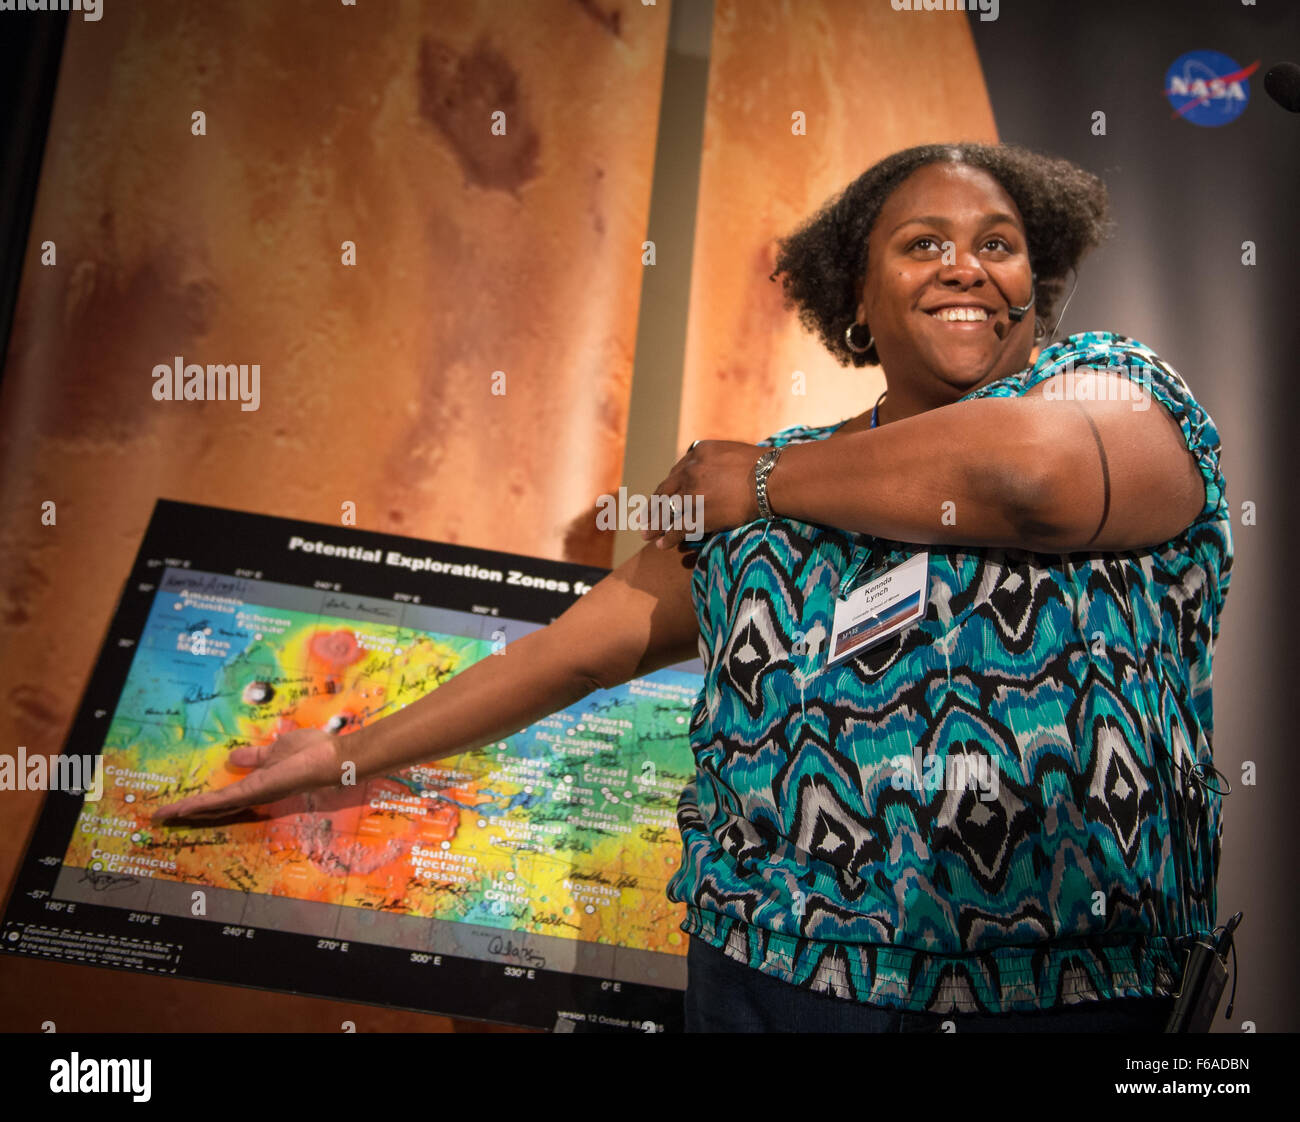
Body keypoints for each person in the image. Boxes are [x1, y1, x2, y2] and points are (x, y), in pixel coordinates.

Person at [153, 141, 1233, 1035]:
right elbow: (570, 652)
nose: (965, 267)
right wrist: (339, 751)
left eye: (996, 246)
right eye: (921, 245)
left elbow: (1030, 480)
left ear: (1033, 284)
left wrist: (763, 477)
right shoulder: (744, 505)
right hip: (770, 985)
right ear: (853, 295)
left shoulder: (1110, 392)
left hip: (1073, 996)